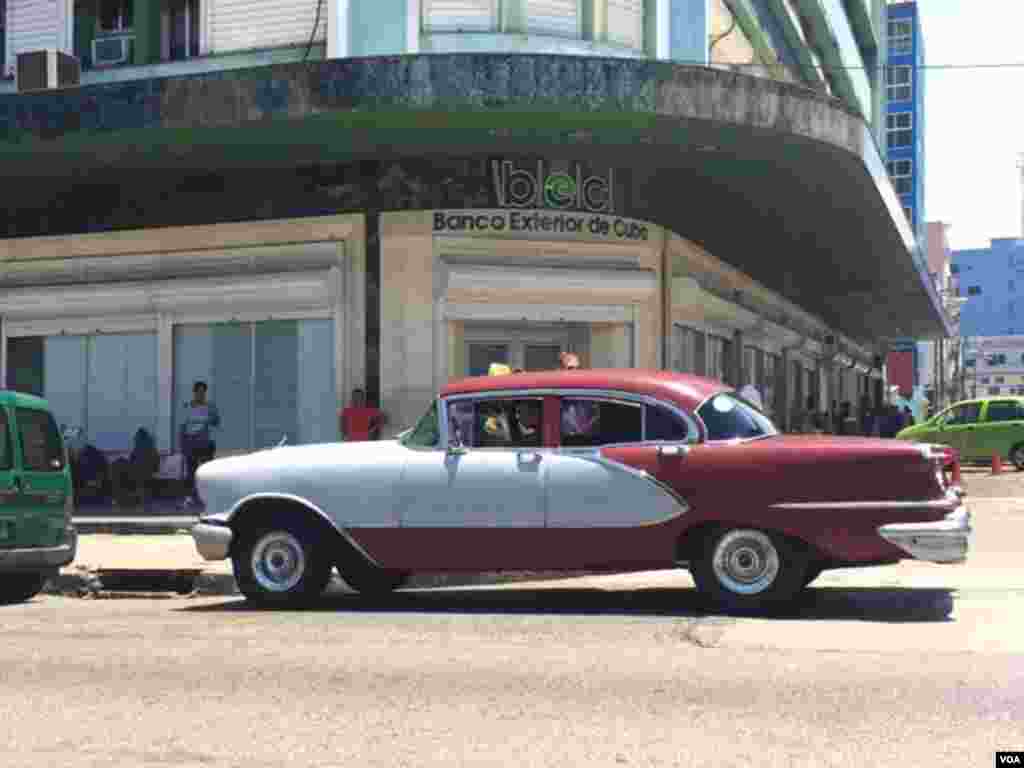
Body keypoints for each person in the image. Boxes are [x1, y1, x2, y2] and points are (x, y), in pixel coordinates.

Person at [180, 381, 220, 508]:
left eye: (203, 392)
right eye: (198, 392)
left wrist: (212, 417)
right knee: (191, 472)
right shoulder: (188, 407)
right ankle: (190, 497)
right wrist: (182, 444)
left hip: (205, 443)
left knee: (206, 471)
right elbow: (182, 426)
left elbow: (216, 422)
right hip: (191, 442)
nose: (201, 395)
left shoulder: (209, 407)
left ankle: (207, 497)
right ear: (194, 392)